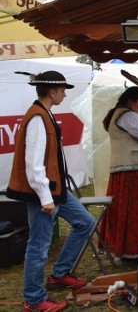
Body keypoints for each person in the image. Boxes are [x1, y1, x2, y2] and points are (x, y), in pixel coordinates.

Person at [7, 71, 94, 312]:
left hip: (54, 189)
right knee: (38, 246)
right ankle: (34, 300)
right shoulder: (37, 118)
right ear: (52, 92)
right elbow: (33, 165)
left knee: (85, 222)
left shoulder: (44, 114)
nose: (65, 94)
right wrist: (46, 198)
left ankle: (60, 273)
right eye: (63, 90)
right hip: (42, 193)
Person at [101, 86, 138, 261]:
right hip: (132, 170)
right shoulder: (127, 115)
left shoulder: (124, 114)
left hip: (128, 170)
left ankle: (126, 247)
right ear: (130, 101)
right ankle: (133, 249)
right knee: (134, 210)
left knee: (128, 210)